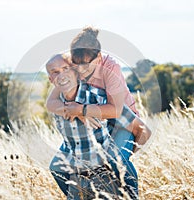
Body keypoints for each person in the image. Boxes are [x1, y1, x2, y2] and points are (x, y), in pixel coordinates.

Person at [46, 27, 151, 197]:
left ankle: (132, 195)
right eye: (76, 64)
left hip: (121, 118)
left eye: (87, 64)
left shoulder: (111, 68)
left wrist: (82, 109)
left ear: (99, 57)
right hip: (93, 116)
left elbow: (116, 110)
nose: (81, 69)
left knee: (115, 159)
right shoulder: (73, 67)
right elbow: (51, 102)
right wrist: (79, 113)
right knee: (57, 167)